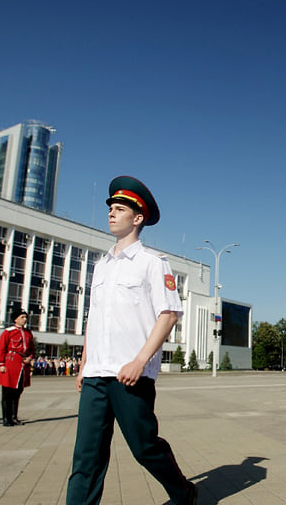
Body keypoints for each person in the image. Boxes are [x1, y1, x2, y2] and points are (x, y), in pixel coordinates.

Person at [66, 176, 197, 505]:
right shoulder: (101, 267)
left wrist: (140, 361)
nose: (111, 213)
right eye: (110, 207)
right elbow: (94, 321)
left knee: (144, 448)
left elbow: (168, 315)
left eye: (119, 208)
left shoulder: (153, 264)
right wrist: (84, 366)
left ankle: (183, 493)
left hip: (130, 374)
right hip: (97, 374)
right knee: (86, 458)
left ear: (137, 219)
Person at [0, 308, 35, 426]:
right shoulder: (8, 332)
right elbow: (1, 348)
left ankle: (14, 417)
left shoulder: (28, 333)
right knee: (7, 393)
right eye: (22, 317)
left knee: (17, 392)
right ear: (15, 319)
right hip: (11, 364)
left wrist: (30, 357)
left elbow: (32, 349)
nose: (25, 319)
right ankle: (6, 418)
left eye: (25, 317)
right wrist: (1, 364)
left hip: (22, 365)